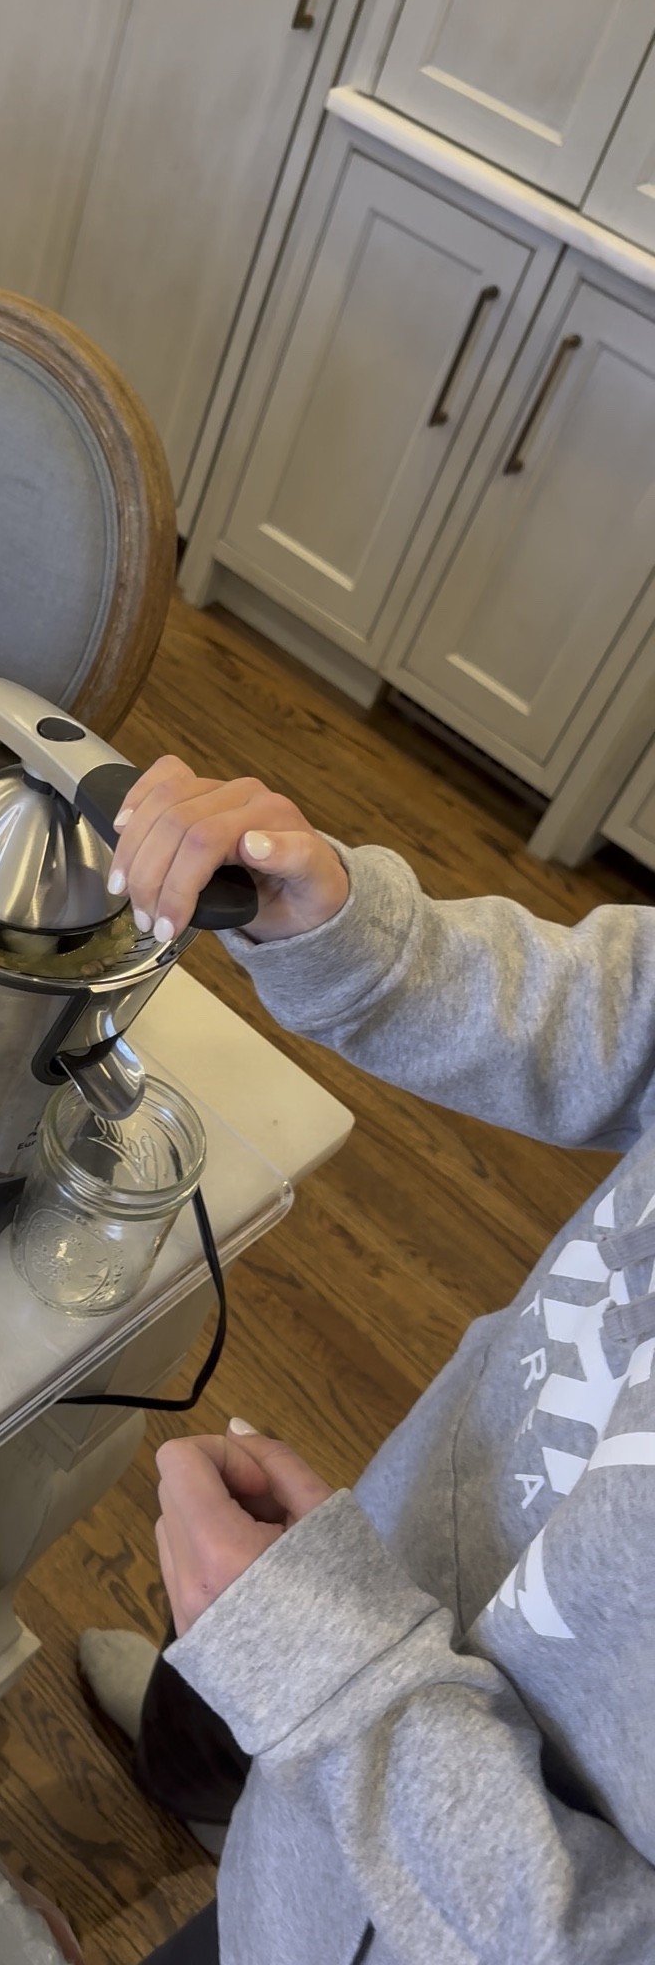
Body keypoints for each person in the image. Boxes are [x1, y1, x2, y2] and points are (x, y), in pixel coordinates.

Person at [73, 754, 655, 1965]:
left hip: (426, 1876)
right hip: (365, 1700)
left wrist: (323, 1678)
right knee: (249, 1868)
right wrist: (349, 930)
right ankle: (215, 1780)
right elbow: (620, 1013)